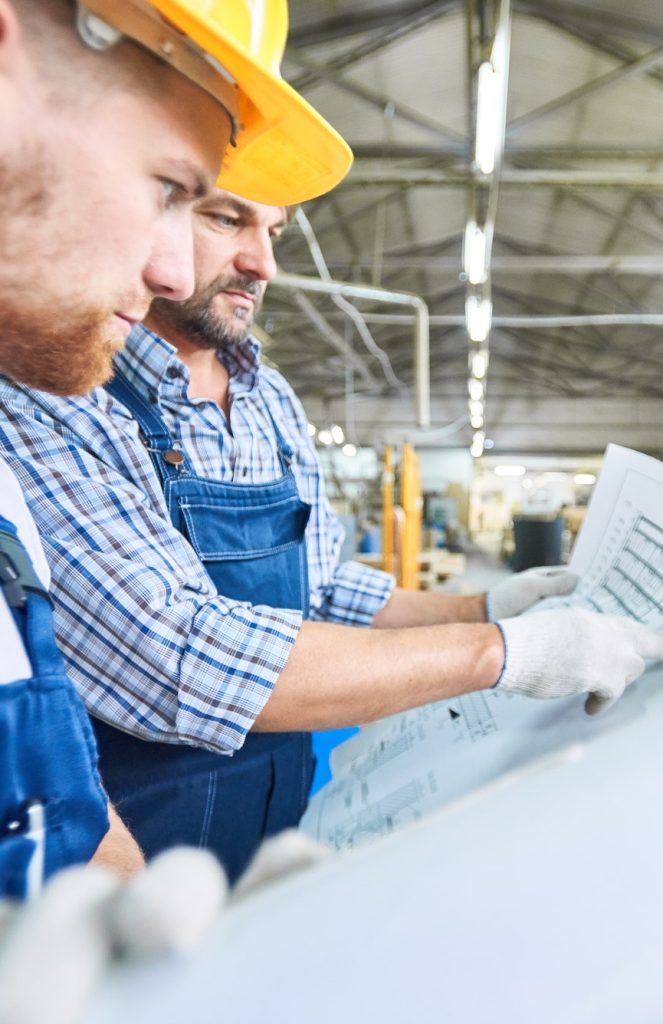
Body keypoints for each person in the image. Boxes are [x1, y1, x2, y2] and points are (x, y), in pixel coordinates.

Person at [1, 189, 662, 885]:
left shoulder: (269, 397)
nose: (262, 263)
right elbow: (178, 659)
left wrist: (488, 607)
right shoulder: (53, 396)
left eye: (275, 231)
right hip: (130, 853)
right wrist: (502, 652)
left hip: (278, 812)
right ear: (148, 205)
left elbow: (320, 588)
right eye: (226, 219)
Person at [0, 0, 351, 899]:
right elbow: (172, 657)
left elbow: (51, 800)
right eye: (170, 190)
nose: (172, 272)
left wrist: (143, 939)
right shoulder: (48, 406)